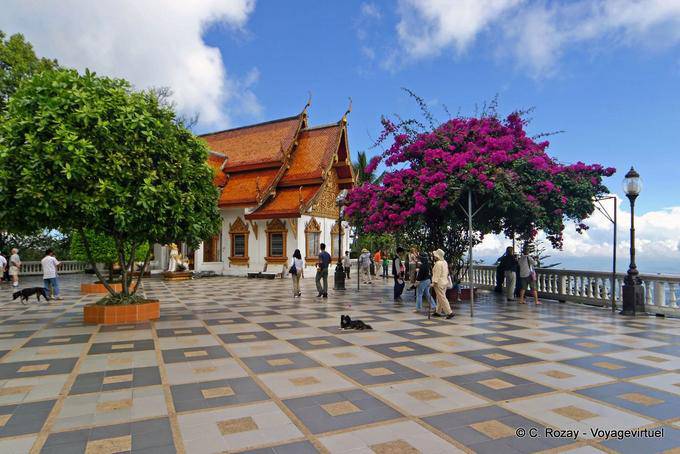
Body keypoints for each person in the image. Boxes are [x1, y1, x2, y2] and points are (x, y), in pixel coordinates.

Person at [431, 249, 454, 319]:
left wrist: (434, 282)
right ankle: (438, 312)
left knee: (442, 298)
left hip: (439, 283)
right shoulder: (444, 262)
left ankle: (449, 312)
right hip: (444, 282)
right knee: (440, 297)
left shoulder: (438, 263)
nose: (434, 256)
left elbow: (437, 274)